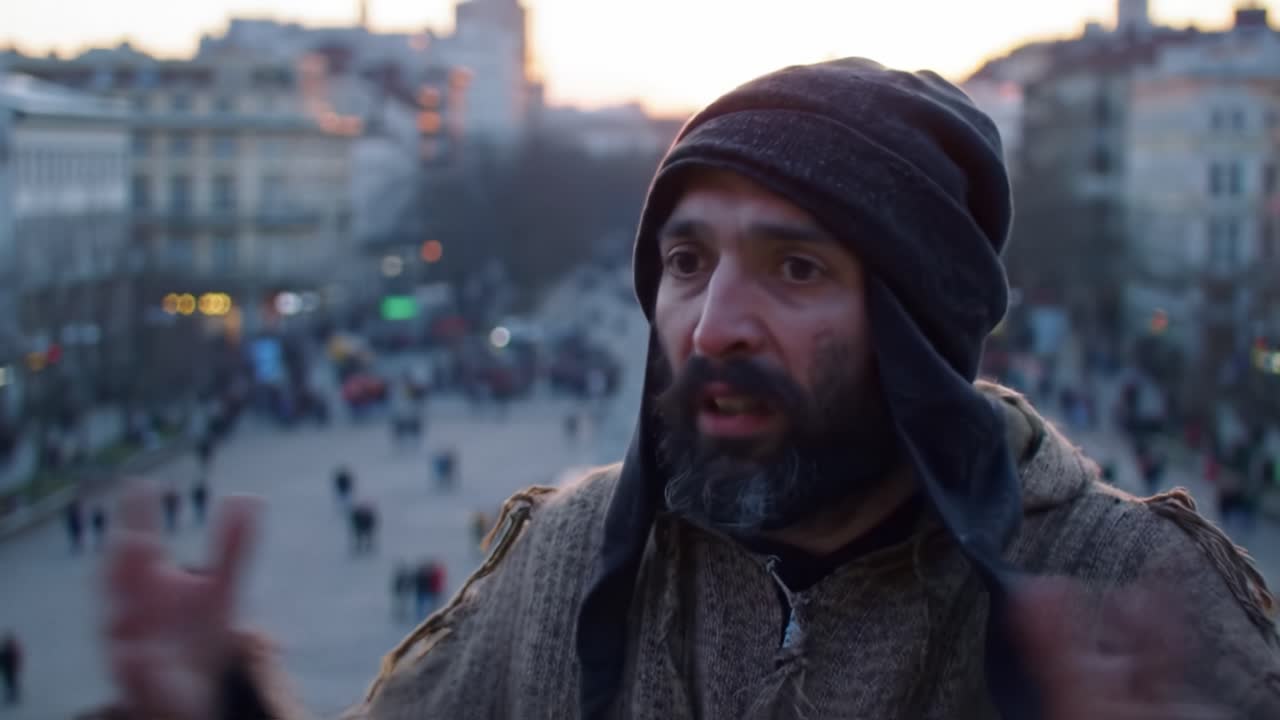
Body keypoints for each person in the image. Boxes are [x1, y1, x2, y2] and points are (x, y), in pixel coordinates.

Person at [98, 58, 1280, 720]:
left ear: (921, 326)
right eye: (683, 261)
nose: (712, 324)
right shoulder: (562, 565)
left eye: (795, 266)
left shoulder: (1127, 594)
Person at [0, 631, 20, 705]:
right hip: (6, 669)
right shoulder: (4, 650)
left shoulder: (11, 650)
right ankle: (11, 696)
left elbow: (15, 659)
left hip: (10, 669)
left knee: (11, 683)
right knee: (8, 683)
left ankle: (14, 696)